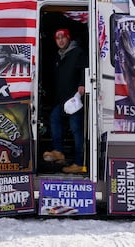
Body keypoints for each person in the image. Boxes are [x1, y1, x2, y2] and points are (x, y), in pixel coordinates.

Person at [43, 29, 87, 174]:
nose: (61, 40)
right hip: (61, 100)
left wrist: (82, 84)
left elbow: (84, 69)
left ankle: (79, 163)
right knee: (54, 118)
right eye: (58, 38)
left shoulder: (77, 52)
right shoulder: (57, 56)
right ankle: (59, 152)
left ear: (68, 38)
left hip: (74, 99)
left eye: (63, 37)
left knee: (76, 129)